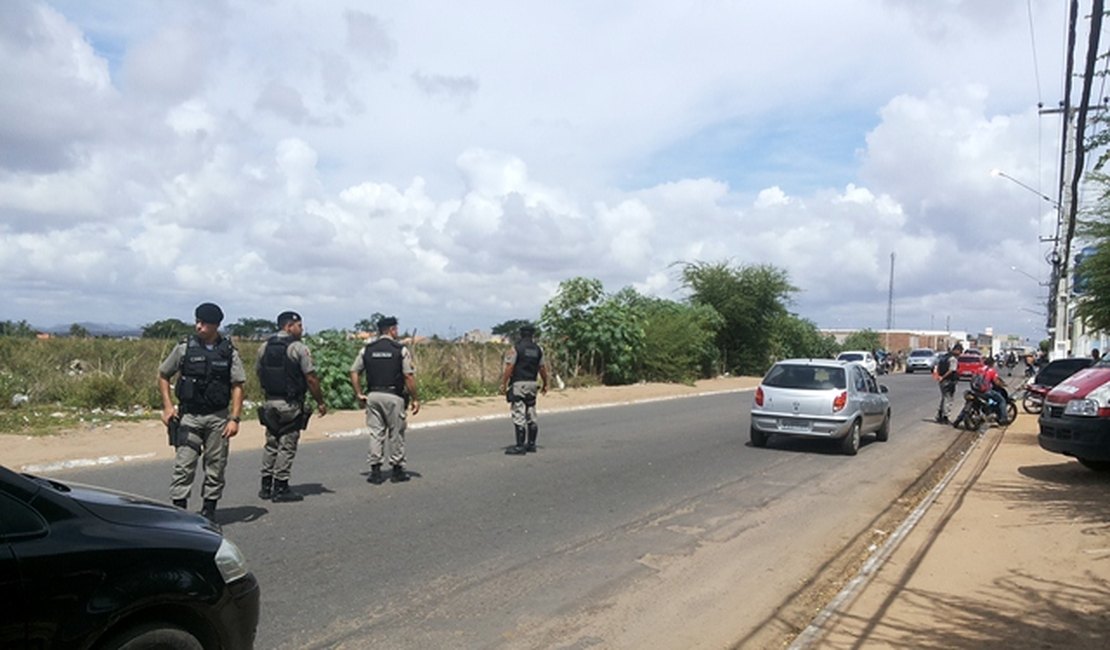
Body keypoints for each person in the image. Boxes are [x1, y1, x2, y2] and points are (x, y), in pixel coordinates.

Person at [157, 302, 246, 522]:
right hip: (189, 416)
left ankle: (209, 511)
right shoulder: (184, 348)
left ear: (215, 325)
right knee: (183, 466)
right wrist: (168, 407)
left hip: (217, 418)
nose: (198, 326)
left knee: (215, 466)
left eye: (203, 323)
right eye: (197, 321)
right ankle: (180, 513)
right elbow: (163, 375)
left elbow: (237, 385)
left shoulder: (228, 351)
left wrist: (234, 419)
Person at [256, 311, 327, 502]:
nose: (301, 329)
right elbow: (311, 377)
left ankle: (265, 486)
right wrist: (320, 401)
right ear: (289, 326)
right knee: (287, 445)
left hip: (270, 401)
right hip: (290, 403)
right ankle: (281, 487)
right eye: (299, 326)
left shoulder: (264, 347)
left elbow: (258, 372)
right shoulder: (298, 348)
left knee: (271, 443)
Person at [349, 316, 420, 484]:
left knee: (376, 433)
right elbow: (408, 376)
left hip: (373, 395)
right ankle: (397, 470)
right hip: (393, 396)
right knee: (396, 433)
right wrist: (416, 398)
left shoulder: (367, 349)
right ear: (391, 330)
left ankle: (375, 471)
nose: (397, 332)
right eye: (396, 329)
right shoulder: (399, 349)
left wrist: (359, 393)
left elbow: (354, 371)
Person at [499, 324, 550, 454]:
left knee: (519, 413)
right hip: (532, 384)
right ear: (532, 335)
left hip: (519, 384)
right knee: (531, 412)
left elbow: (510, 367)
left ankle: (520, 446)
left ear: (521, 334)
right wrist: (545, 383)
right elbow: (542, 368)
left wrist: (504, 383)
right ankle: (531, 444)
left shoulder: (516, 348)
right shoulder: (538, 349)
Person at [972, 356, 1009, 425]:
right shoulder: (992, 371)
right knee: (1002, 400)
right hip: (986, 391)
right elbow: (996, 382)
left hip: (976, 391)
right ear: (992, 363)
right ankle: (1004, 419)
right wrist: (1003, 385)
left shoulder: (979, 369)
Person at [934, 342, 962, 424]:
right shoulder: (953, 359)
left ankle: (940, 414)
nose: (960, 354)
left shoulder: (944, 357)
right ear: (957, 350)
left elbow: (937, 367)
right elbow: (951, 370)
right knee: (948, 399)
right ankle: (945, 416)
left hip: (942, 381)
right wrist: (943, 377)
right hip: (949, 381)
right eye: (960, 351)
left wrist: (939, 376)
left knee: (944, 397)